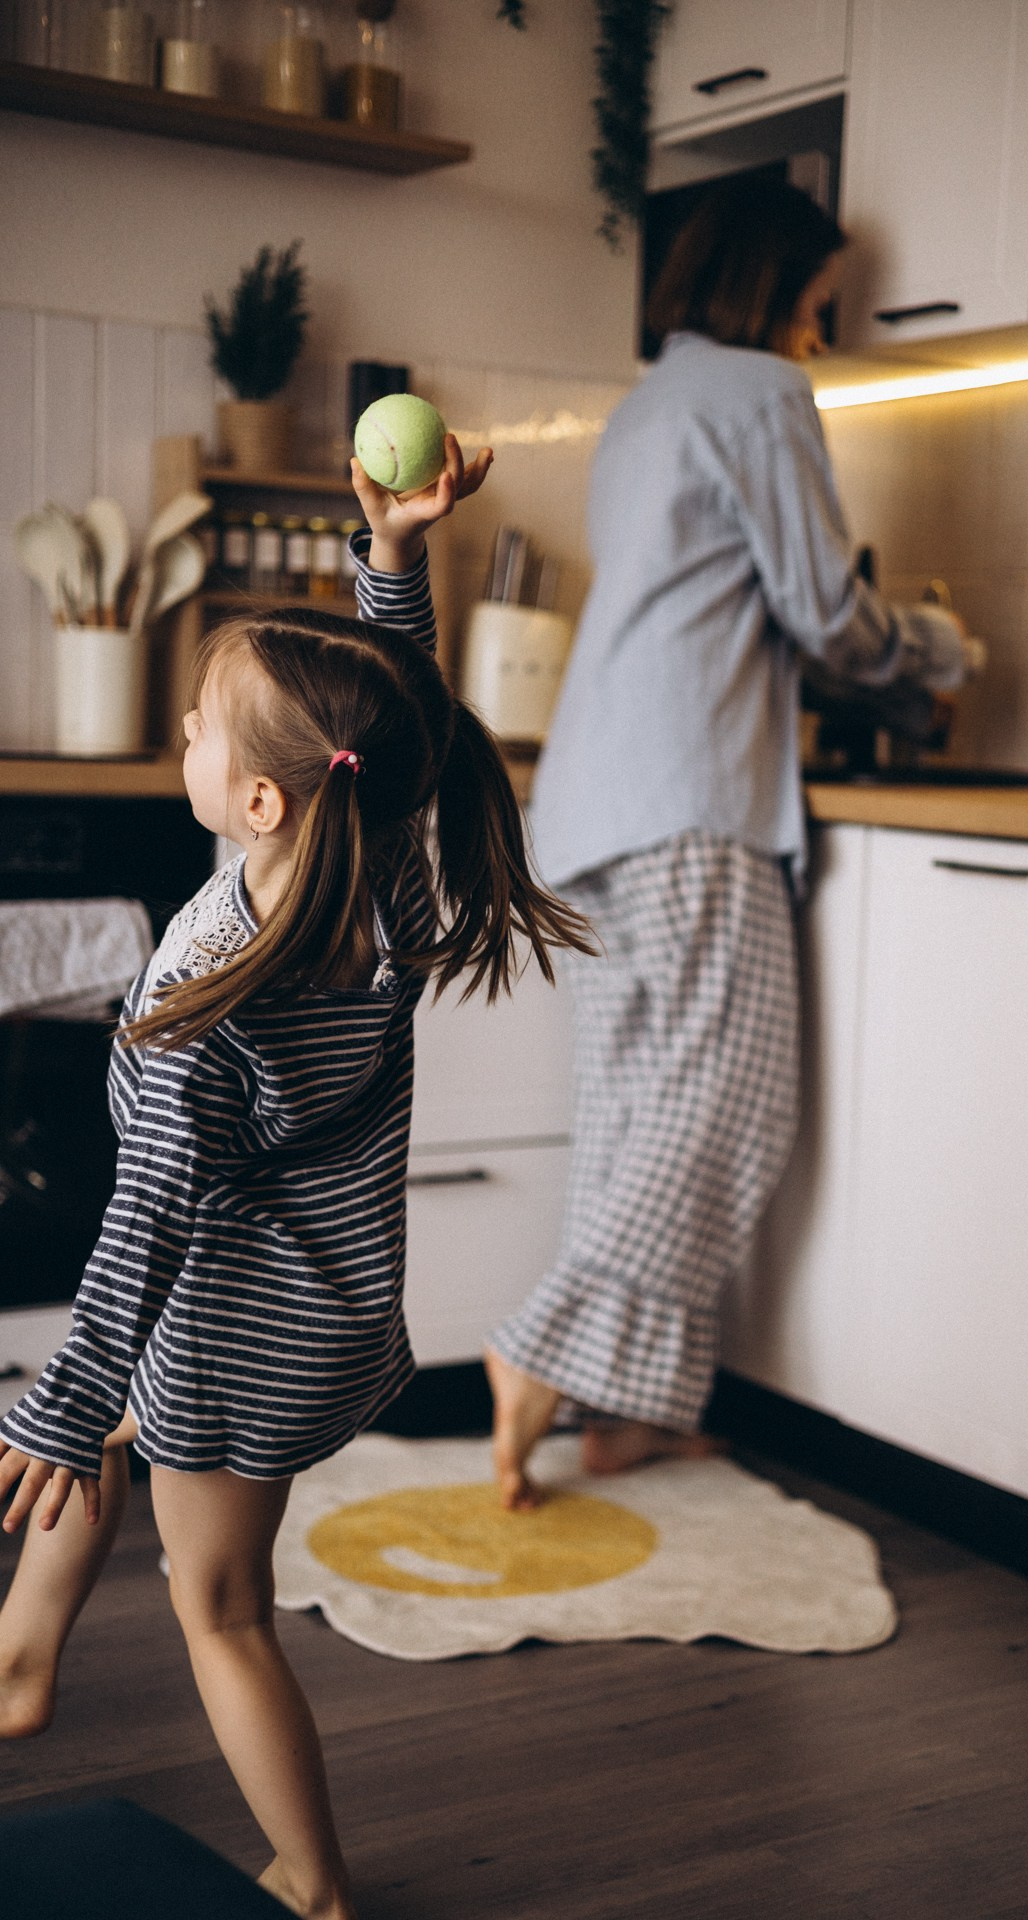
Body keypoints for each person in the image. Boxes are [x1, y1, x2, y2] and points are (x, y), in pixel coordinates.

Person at [0, 435, 590, 1920]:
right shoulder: (365, 876)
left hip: (237, 1330)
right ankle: (23, 1655)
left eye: (198, 726)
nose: (184, 738)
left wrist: (62, 1398)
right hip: (323, 1308)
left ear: (258, 801)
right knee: (137, 1431)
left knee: (221, 1608)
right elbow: (389, 728)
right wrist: (394, 560)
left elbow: (143, 1221)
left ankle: (316, 1883)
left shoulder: (208, 991)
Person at [477, 174, 976, 1510]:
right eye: (821, 305)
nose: (826, 333)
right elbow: (822, 606)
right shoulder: (760, 394)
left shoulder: (647, 408)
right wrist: (933, 650)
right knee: (723, 1112)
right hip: (688, 797)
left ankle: (623, 1417)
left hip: (592, 800)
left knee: (638, 1110)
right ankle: (541, 1353)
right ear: (774, 290)